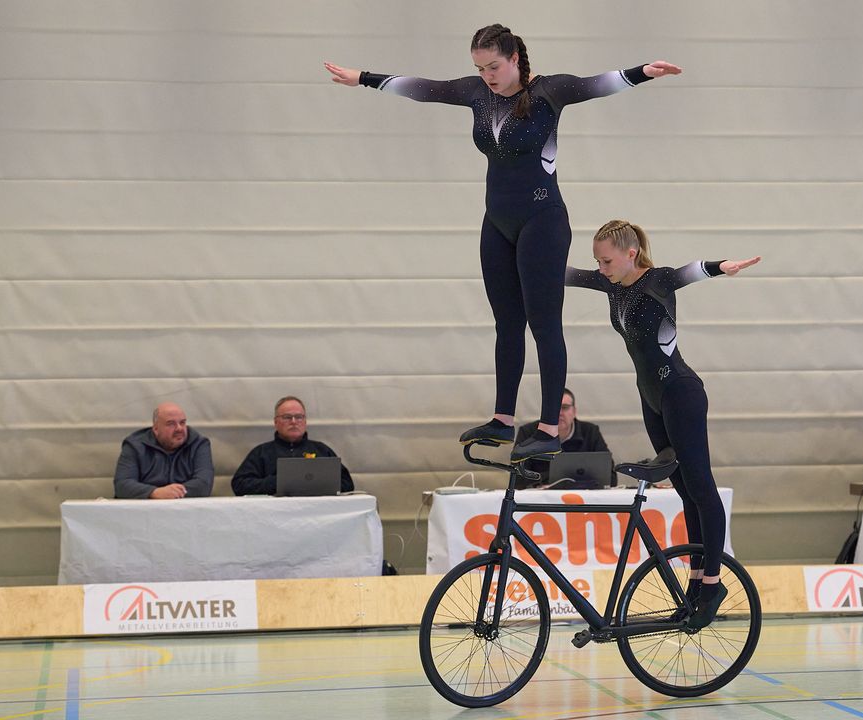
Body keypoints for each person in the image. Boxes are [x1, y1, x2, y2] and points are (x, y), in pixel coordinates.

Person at [325, 25, 682, 461]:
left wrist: (643, 71)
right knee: (506, 322)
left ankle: (550, 426)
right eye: (480, 67)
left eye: (494, 66)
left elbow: (595, 85)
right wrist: (362, 77)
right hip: (496, 222)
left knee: (543, 322)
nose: (488, 75)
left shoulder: (550, 91)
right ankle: (502, 419)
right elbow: (425, 89)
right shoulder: (477, 93)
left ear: (515, 57)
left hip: (542, 220)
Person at [565, 219, 760, 628]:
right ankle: (694, 579)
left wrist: (723, 266)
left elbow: (692, 270)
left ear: (631, 253)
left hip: (680, 393)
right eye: (597, 262)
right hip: (651, 398)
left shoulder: (658, 280)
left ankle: (712, 584)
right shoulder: (610, 284)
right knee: (684, 490)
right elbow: (564, 274)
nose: (600, 268)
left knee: (702, 487)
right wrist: (521, 263)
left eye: (606, 260)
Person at [231, 396, 354, 496]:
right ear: (276, 422)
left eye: (299, 417)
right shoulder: (261, 453)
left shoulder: (322, 450)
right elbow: (239, 485)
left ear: (305, 421)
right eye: (287, 417)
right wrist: (278, 482)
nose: (294, 421)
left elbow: (347, 484)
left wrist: (315, 484)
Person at [514, 387, 613, 487]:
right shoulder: (528, 433)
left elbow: (610, 476)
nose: (559, 413)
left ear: (574, 411)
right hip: (541, 499)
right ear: (546, 411)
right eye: (554, 408)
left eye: (565, 407)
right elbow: (517, 478)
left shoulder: (590, 432)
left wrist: (550, 478)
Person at [113, 402, 214, 499]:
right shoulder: (135, 445)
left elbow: (204, 483)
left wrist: (173, 493)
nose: (179, 428)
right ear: (156, 429)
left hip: (186, 510)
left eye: (182, 423)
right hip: (145, 511)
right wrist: (154, 492)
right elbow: (122, 484)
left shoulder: (199, 444)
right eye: (171, 424)